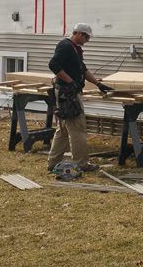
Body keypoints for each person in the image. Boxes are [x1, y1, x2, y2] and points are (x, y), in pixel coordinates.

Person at [47, 23, 112, 173]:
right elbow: (53, 65)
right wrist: (71, 82)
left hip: (66, 92)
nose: (88, 40)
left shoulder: (75, 49)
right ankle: (81, 163)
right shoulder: (65, 46)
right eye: (87, 37)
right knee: (78, 128)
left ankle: (53, 163)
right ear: (80, 34)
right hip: (67, 93)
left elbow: (82, 68)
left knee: (63, 129)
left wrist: (98, 84)